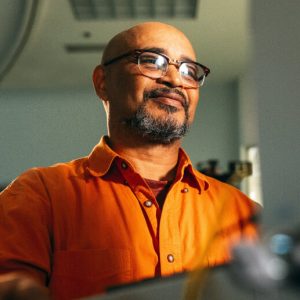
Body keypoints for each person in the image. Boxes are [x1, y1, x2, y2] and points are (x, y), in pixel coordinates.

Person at [0, 22, 259, 299]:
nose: (174, 79)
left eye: (189, 71)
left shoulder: (243, 213)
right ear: (103, 83)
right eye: (151, 61)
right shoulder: (39, 195)